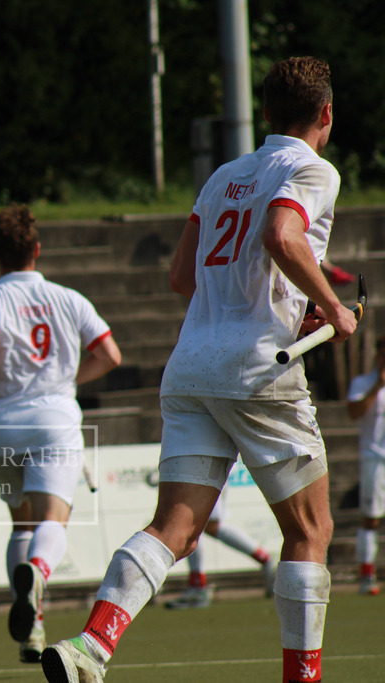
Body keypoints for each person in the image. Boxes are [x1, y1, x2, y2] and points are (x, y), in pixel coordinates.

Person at [41, 56, 357, 683]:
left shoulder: (222, 176)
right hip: (259, 371)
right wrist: (332, 308)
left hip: (192, 365)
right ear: (326, 113)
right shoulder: (313, 169)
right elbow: (281, 234)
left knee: (175, 528)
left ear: (264, 112)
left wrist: (266, 307)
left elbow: (182, 276)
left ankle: (90, 646)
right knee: (310, 530)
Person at [0, 204, 121, 663]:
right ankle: (39, 572)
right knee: (51, 523)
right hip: (53, 422)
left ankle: (33, 631)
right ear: (37, 249)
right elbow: (109, 355)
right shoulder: (69, 299)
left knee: (21, 524)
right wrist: (67, 382)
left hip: (2, 425)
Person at [163, 490, 277, 609]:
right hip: (201, 478)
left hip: (203, 478)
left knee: (198, 523)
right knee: (194, 522)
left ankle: (266, 559)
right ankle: (197, 586)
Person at [345, 332, 385, 596]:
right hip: (375, 459)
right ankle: (366, 574)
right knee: (370, 519)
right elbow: (354, 412)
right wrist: (377, 386)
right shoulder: (363, 383)